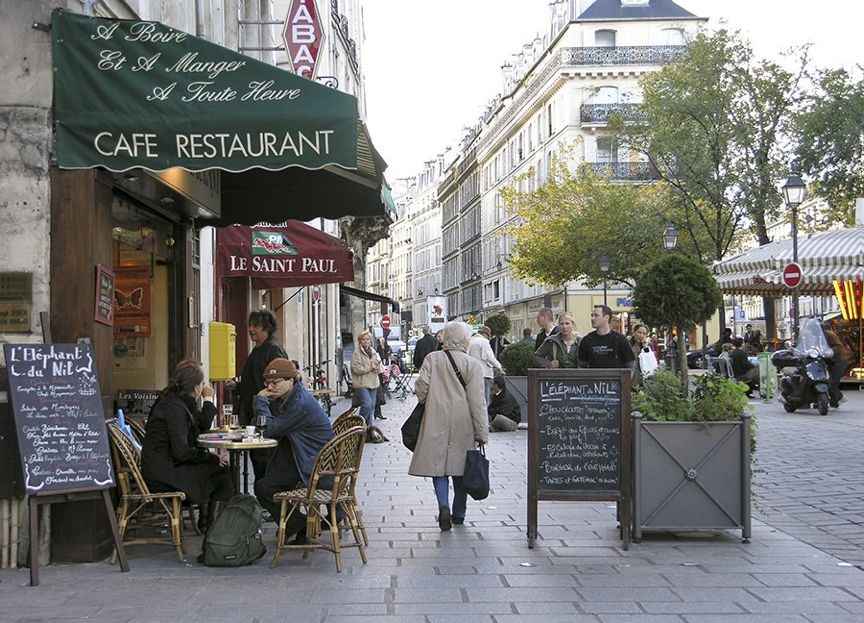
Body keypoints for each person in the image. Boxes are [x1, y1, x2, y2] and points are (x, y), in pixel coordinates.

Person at [410, 321, 488, 530]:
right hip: (463, 422)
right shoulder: (472, 364)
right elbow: (477, 402)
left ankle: (443, 506)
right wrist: (482, 432)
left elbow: (421, 388)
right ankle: (459, 512)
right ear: (464, 340)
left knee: (439, 468)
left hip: (435, 418)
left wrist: (430, 402)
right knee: (461, 468)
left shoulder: (432, 360)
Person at [142, 360, 232, 534]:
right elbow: (182, 451)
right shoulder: (175, 407)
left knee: (217, 468)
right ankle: (216, 531)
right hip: (163, 473)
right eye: (201, 384)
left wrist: (206, 400)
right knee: (221, 474)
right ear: (196, 386)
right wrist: (210, 457)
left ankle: (208, 524)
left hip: (161, 465)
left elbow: (201, 423)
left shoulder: (174, 400)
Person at [252, 358, 334, 543]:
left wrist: (261, 400)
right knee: (267, 480)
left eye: (275, 382)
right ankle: (298, 524)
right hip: (307, 458)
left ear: (290, 380)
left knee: (264, 487)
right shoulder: (287, 398)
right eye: (267, 383)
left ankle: (299, 525)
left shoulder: (299, 404)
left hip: (315, 467)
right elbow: (264, 426)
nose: (270, 387)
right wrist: (266, 404)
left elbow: (269, 429)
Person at [236, 309, 288, 482]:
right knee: (258, 458)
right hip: (255, 412)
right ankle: (263, 494)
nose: (251, 329)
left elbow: (280, 382)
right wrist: (237, 386)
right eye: (250, 325)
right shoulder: (259, 349)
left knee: (264, 459)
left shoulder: (272, 349)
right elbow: (254, 379)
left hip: (266, 414)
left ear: (266, 327)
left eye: (255, 325)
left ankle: (267, 495)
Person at [577, 305, 636, 372]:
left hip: (616, 380)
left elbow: (631, 365)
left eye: (596, 316)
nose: (592, 318)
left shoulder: (620, 339)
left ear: (606, 317)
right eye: (592, 316)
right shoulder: (587, 340)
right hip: (594, 380)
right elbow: (581, 366)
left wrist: (626, 380)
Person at [350, 330, 381, 426]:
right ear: (360, 341)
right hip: (361, 383)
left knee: (371, 406)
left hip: (373, 382)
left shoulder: (373, 352)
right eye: (363, 339)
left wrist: (378, 368)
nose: (366, 341)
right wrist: (370, 367)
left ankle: (368, 429)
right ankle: (358, 424)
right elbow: (355, 369)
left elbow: (378, 366)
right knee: (367, 404)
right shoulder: (357, 353)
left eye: (367, 339)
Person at [468, 325, 503, 405]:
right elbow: (489, 357)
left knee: (475, 398)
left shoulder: (471, 341)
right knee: (485, 398)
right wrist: (499, 366)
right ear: (486, 334)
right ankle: (485, 416)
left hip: (472, 373)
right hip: (484, 373)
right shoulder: (483, 342)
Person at [824, 328, 853, 408]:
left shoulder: (829, 335)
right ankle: (837, 400)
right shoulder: (816, 336)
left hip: (839, 361)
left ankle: (837, 400)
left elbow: (838, 346)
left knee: (832, 383)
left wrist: (831, 351)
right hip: (831, 362)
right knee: (830, 382)